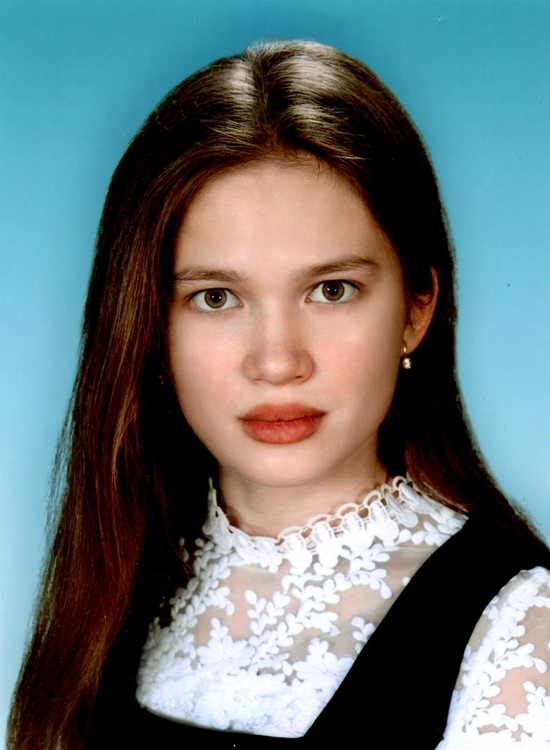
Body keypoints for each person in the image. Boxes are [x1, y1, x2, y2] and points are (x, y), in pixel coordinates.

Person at [8, 40, 550, 749]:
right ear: (148, 327)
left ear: (416, 309)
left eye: (332, 290)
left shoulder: (518, 628)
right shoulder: (114, 586)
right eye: (216, 297)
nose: (277, 362)